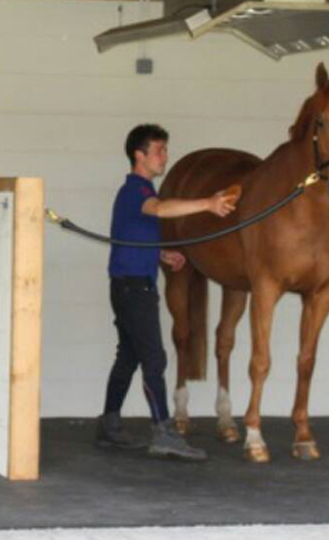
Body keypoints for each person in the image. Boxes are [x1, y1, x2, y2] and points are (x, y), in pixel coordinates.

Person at [95, 124, 235, 462]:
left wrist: (160, 253)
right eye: (158, 150)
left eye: (165, 150)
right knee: (154, 359)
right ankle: (163, 433)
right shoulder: (136, 191)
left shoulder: (139, 193)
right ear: (138, 156)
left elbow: (131, 232)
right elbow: (159, 210)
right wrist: (208, 203)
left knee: (128, 357)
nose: (164, 157)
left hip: (132, 284)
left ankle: (109, 425)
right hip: (133, 289)